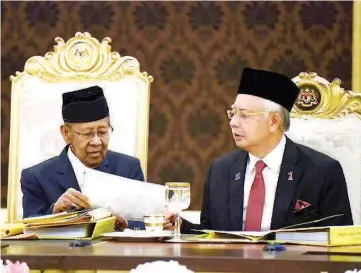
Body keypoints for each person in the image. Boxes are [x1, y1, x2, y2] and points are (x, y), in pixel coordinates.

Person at [166, 68, 353, 232]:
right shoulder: (221, 170)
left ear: (274, 121)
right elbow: (211, 234)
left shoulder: (322, 171)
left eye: (244, 115)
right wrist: (181, 226)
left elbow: (339, 238)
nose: (233, 122)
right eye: (233, 113)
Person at [21, 86, 145, 230]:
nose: (97, 141)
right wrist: (55, 211)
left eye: (103, 132)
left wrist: (126, 224)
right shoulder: (36, 177)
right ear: (66, 133)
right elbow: (28, 228)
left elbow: (147, 222)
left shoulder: (128, 168)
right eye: (87, 134)